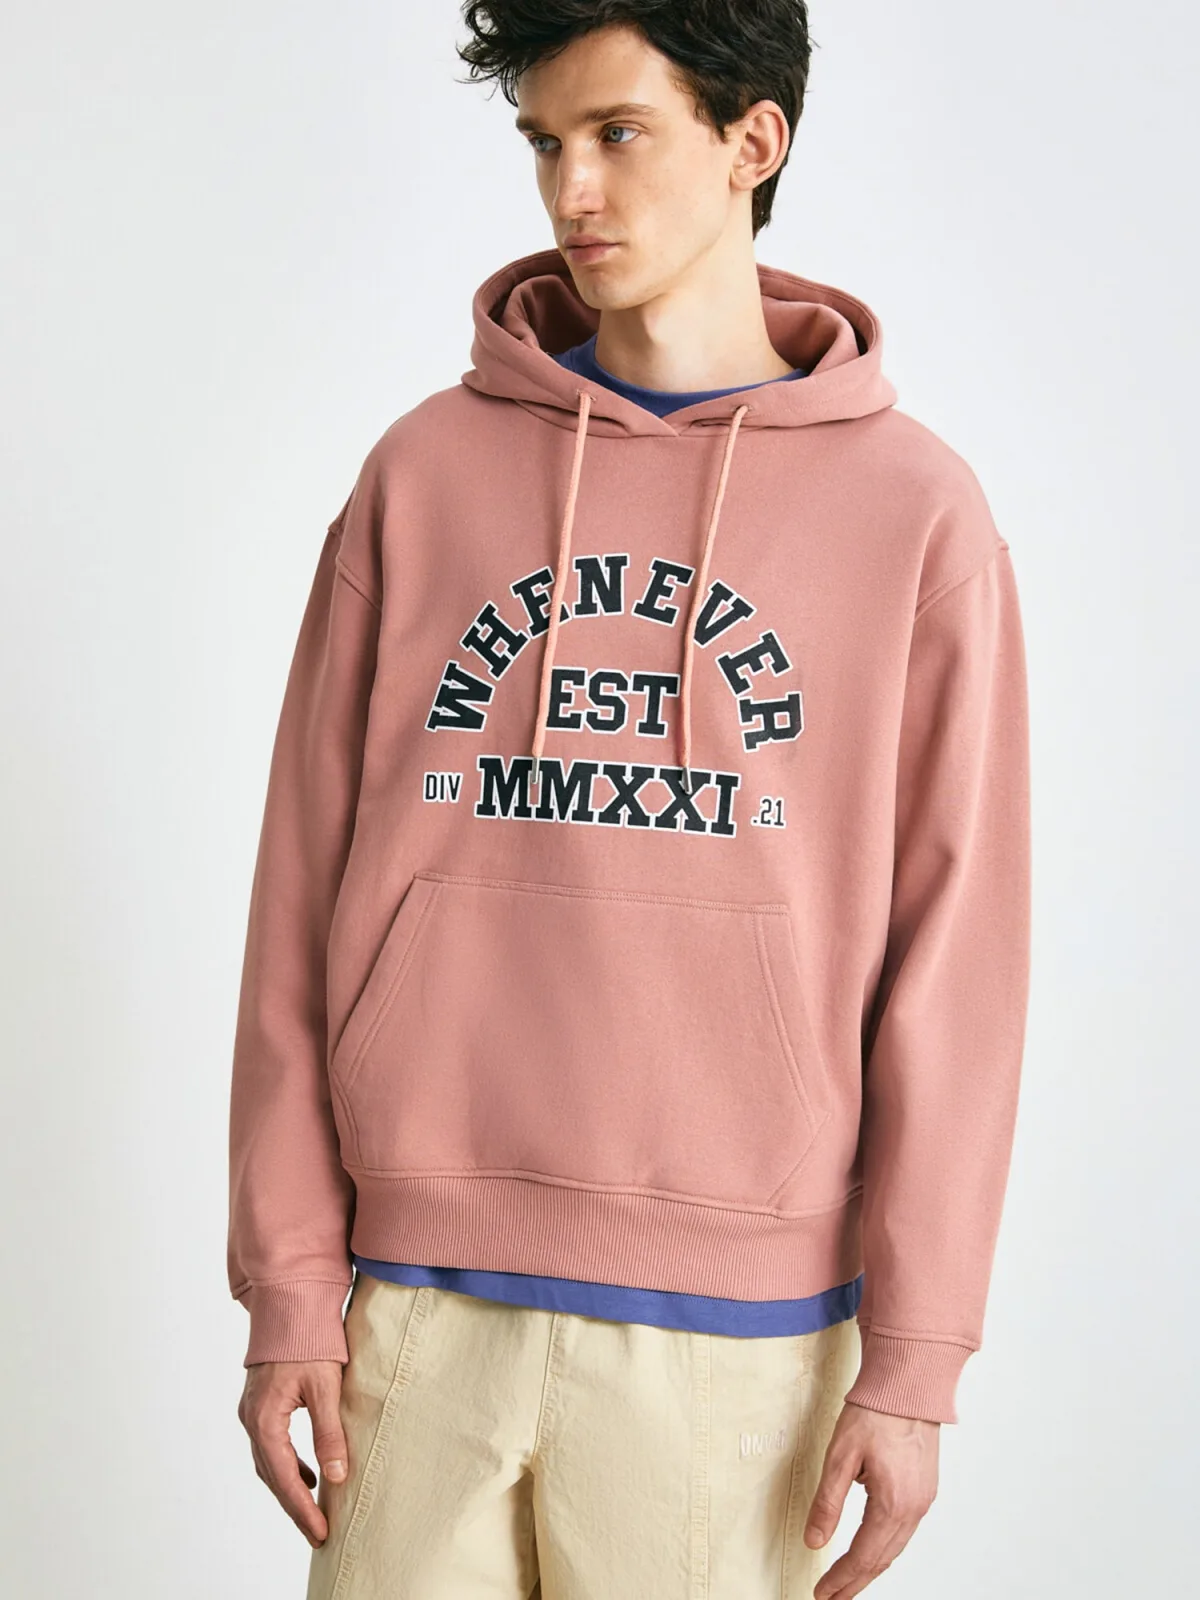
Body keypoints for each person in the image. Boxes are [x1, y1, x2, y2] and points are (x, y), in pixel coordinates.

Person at [227, 4, 1032, 1596]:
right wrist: (290, 1280)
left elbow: (961, 966)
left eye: (618, 134)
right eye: (545, 143)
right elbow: (296, 897)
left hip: (739, 1344)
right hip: (415, 1309)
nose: (571, 193)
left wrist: (917, 1357)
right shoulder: (423, 476)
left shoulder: (915, 516)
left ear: (753, 141)